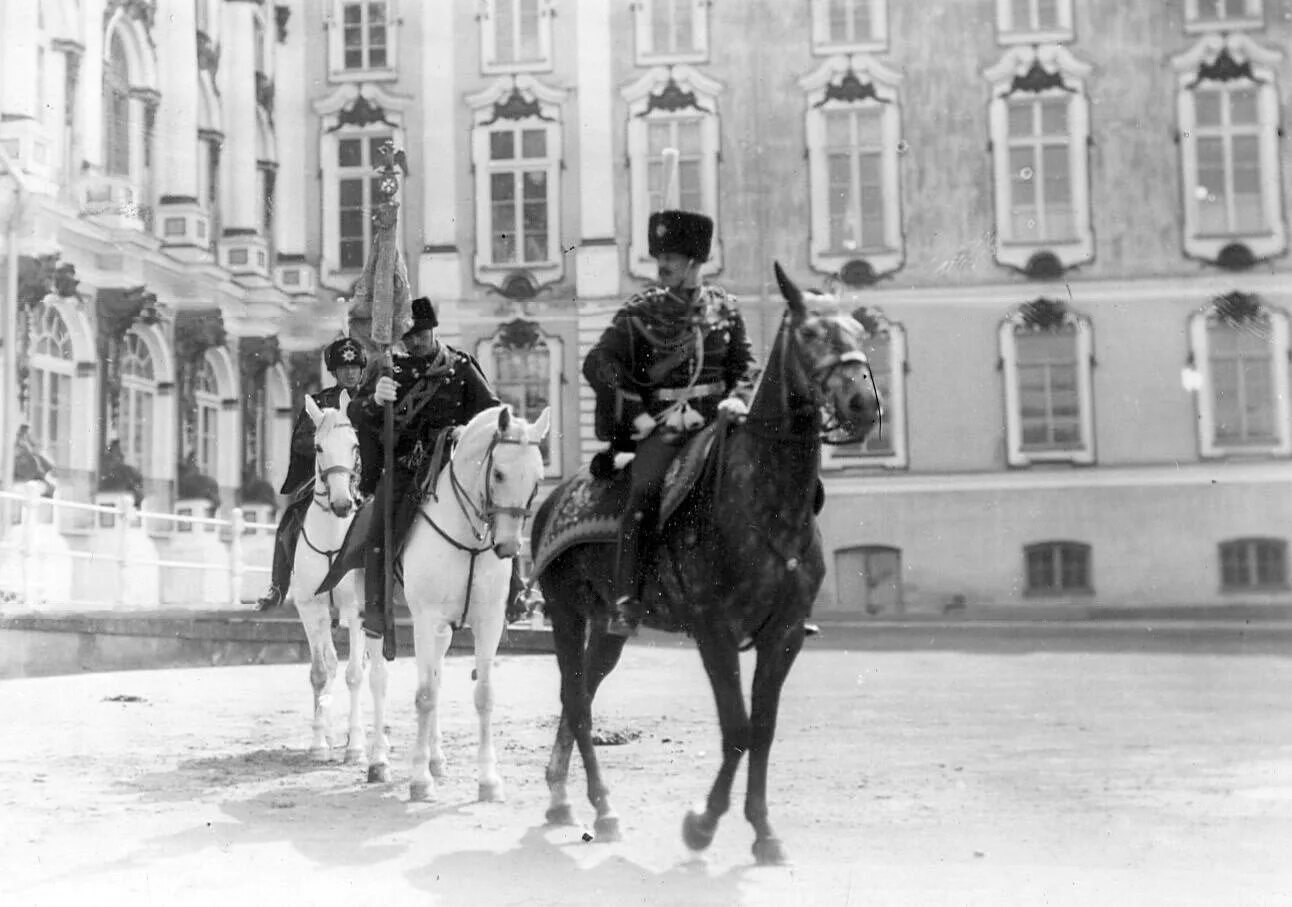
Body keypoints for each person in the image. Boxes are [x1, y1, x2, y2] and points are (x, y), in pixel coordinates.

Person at [583, 208, 756, 637]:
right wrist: (636, 416)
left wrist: (737, 401)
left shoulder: (725, 309)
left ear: (695, 262)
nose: (661, 266)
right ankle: (627, 598)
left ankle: (781, 588)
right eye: (659, 257)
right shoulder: (640, 312)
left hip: (720, 419)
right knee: (644, 490)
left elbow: (748, 366)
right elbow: (599, 363)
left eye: (671, 258)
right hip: (664, 425)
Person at [342, 297, 501, 649]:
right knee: (380, 532)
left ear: (434, 330)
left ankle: (514, 592)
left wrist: (468, 430)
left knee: (500, 513)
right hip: (406, 466)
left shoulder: (460, 367)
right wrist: (375, 401)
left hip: (453, 462)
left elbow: (493, 412)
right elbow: (354, 413)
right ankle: (376, 611)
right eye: (409, 336)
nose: (415, 342)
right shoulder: (386, 369)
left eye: (422, 335)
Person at [255, 337, 368, 611]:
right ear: (334, 372)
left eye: (354, 367)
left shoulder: (371, 401)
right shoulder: (321, 402)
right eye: (343, 368)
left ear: (362, 369)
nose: (350, 372)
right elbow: (301, 442)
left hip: (369, 476)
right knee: (290, 520)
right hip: (329, 476)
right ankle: (278, 586)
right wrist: (326, 439)